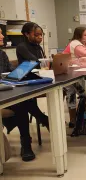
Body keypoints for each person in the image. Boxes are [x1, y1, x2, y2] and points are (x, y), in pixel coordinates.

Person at [0, 30, 46, 162]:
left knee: (22, 101)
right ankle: (27, 143)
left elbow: (10, 72)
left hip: (5, 90)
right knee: (22, 104)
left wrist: (20, 73)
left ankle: (26, 144)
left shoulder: (2, 54)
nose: (3, 36)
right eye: (0, 33)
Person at [63, 27, 86, 126]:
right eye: (85, 35)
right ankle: (79, 120)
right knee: (84, 94)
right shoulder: (76, 44)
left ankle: (75, 120)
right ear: (79, 35)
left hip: (71, 73)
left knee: (71, 95)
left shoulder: (76, 43)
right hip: (73, 75)